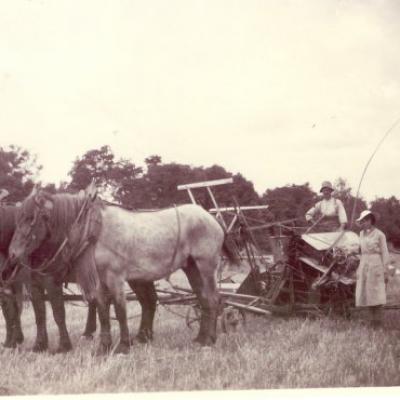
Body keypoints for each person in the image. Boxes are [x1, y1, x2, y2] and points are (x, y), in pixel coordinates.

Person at [355, 210, 390, 328]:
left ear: (370, 221)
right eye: (361, 221)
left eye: (365, 220)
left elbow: (385, 253)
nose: (363, 223)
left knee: (376, 294)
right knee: (367, 293)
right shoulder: (360, 234)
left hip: (375, 265)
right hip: (364, 264)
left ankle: (378, 323)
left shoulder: (380, 235)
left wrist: (385, 271)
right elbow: (359, 249)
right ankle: (371, 323)